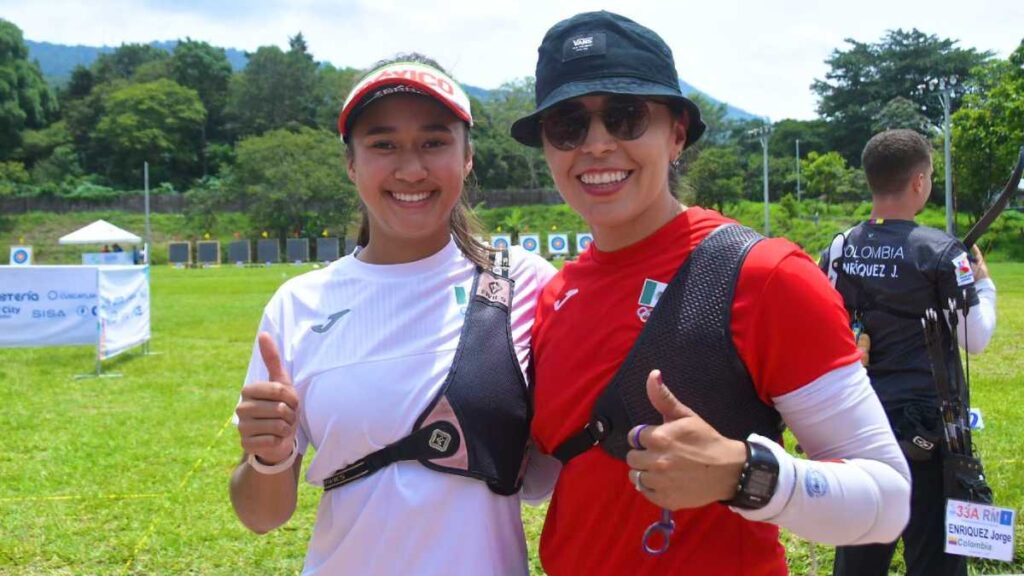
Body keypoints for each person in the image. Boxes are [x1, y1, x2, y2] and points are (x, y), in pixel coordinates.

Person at [510, 11, 911, 575]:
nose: (597, 145)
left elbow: (889, 502)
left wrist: (742, 474)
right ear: (549, 148)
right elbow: (549, 478)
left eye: (626, 118)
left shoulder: (766, 276)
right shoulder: (557, 296)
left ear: (676, 133)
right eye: (568, 126)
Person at [229, 54, 559, 575]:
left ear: (468, 157)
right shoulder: (299, 304)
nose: (411, 169)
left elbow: (552, 470)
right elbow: (262, 516)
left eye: (434, 142)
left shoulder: (526, 283)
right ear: (351, 164)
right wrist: (267, 454)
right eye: (384, 144)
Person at [825, 129, 997, 576]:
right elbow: (974, 339)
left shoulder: (840, 249)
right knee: (935, 558)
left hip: (860, 425)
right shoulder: (942, 253)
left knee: (859, 553)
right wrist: (984, 283)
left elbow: (827, 331)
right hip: (931, 432)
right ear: (919, 182)